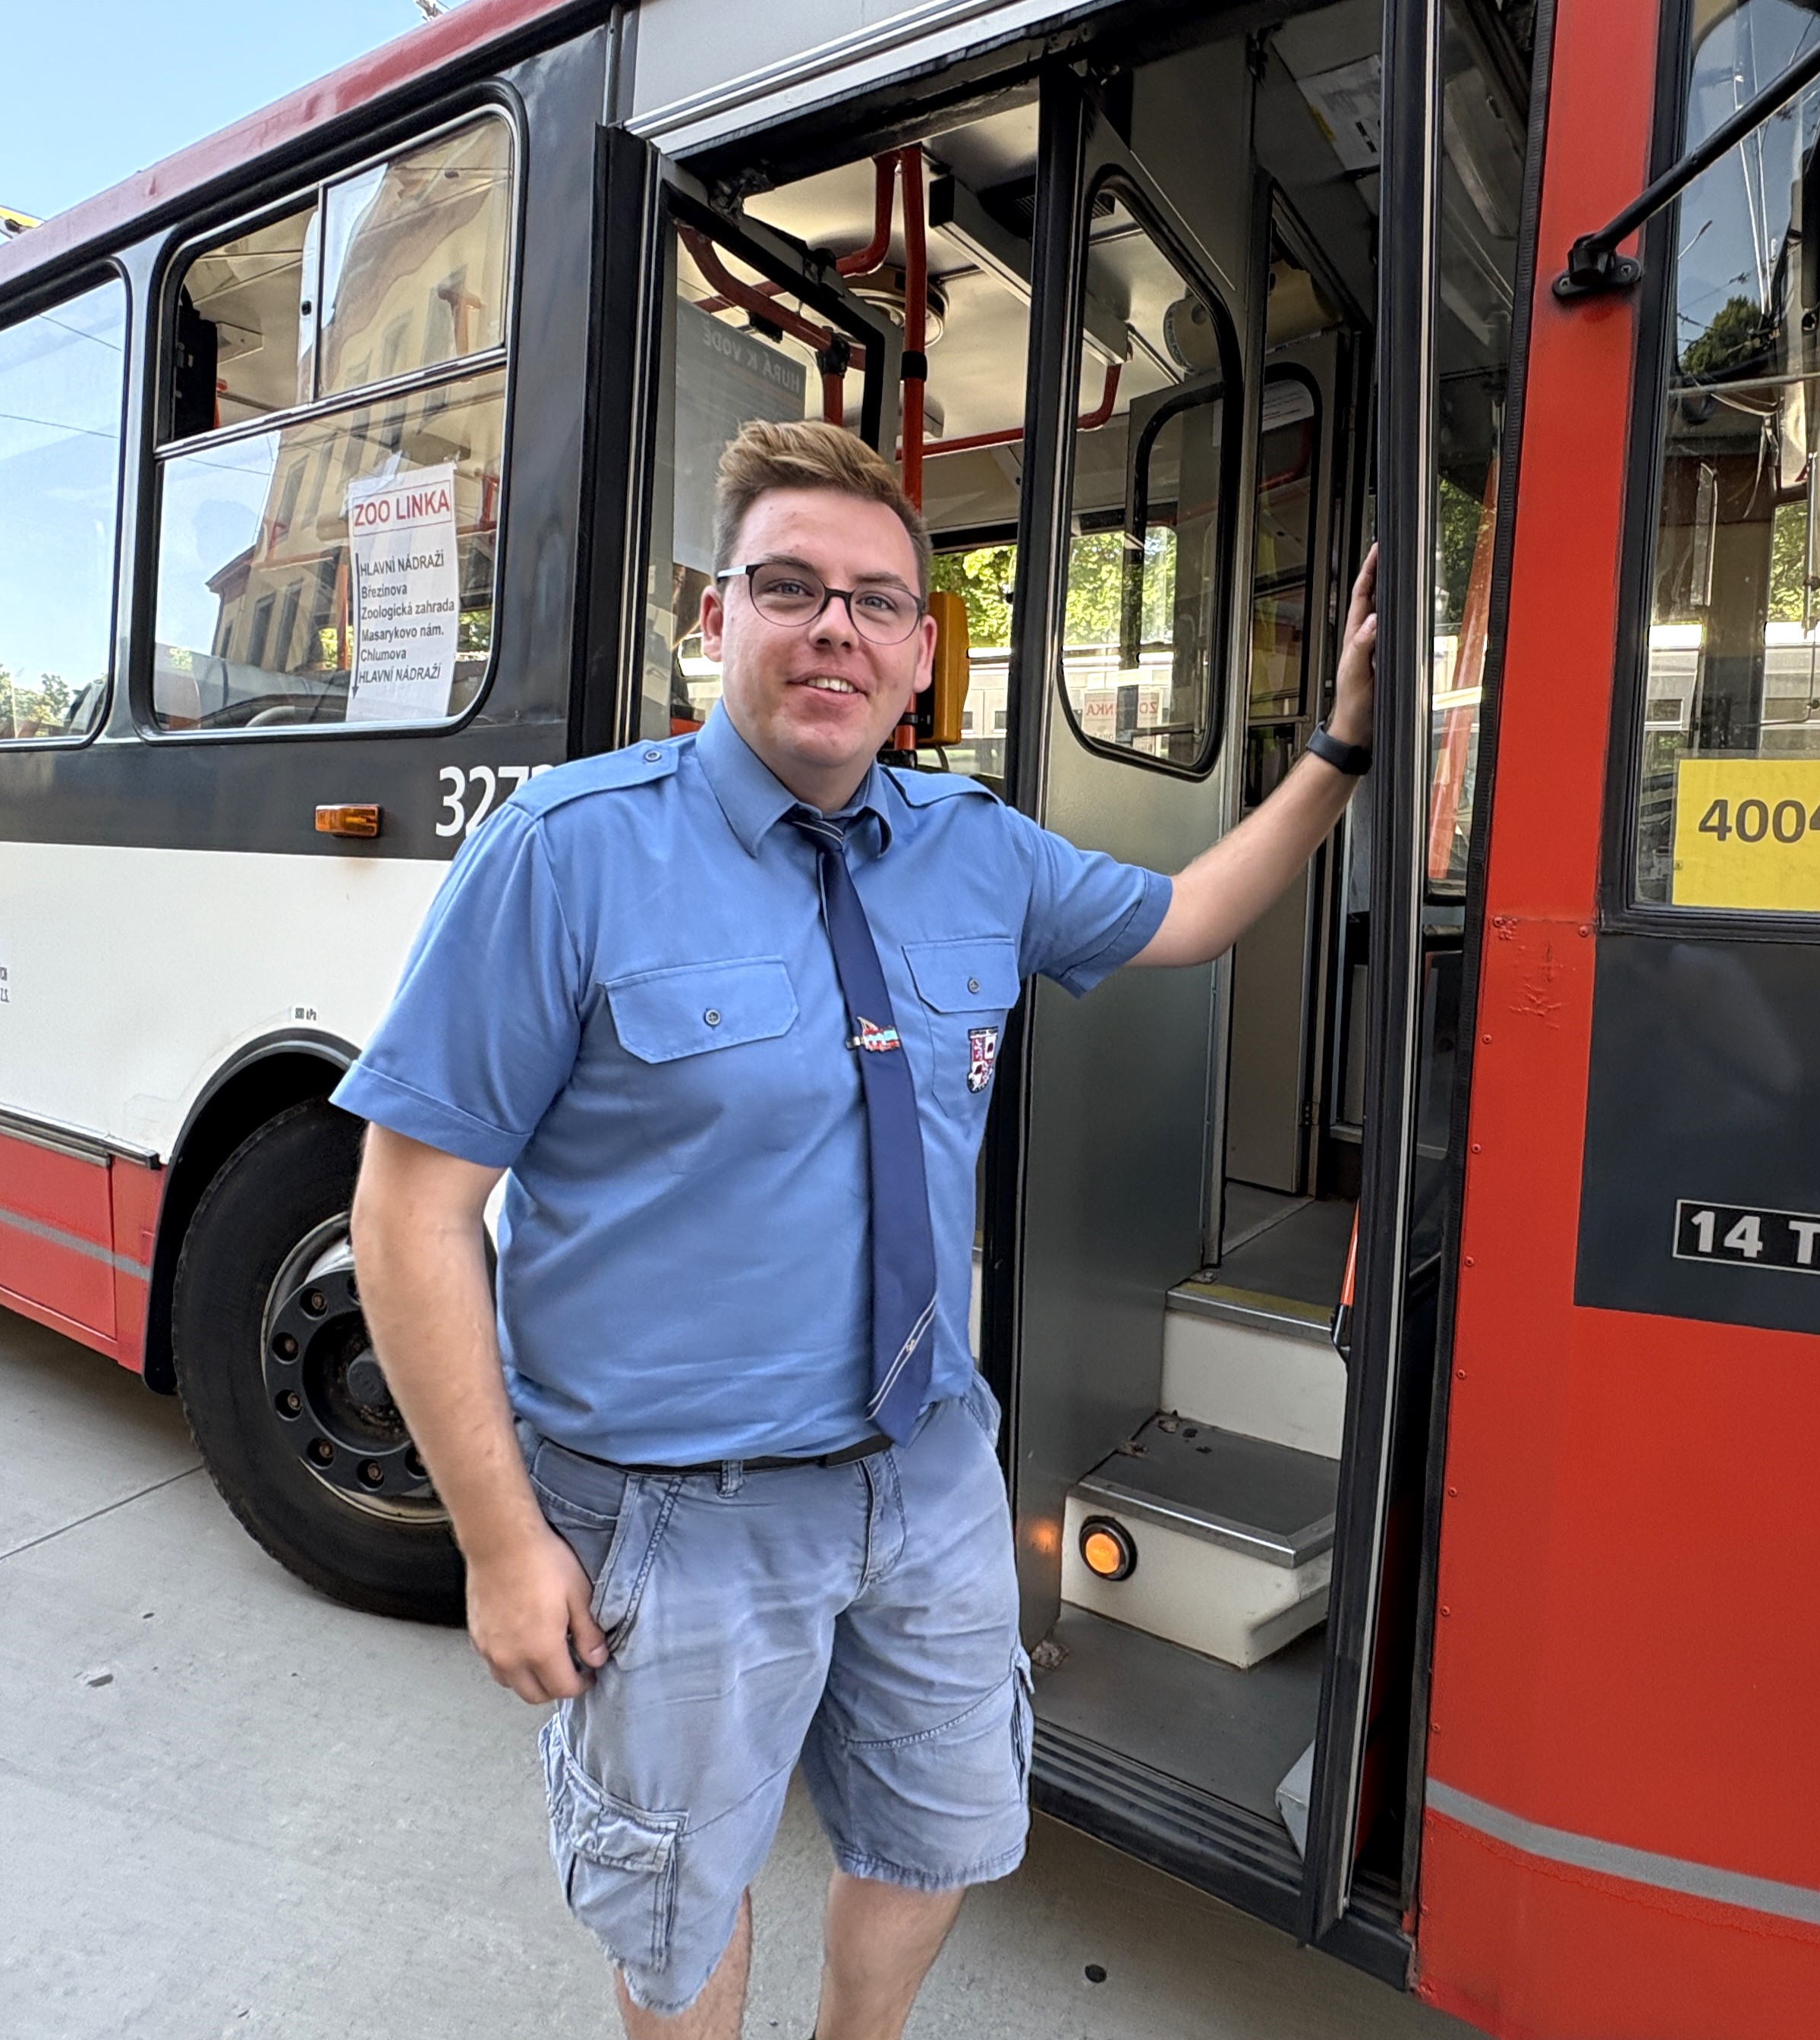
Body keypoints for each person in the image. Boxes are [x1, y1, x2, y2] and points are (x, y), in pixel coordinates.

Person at [338, 418, 1376, 2040]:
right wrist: (495, 1539)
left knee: (938, 1832)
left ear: (920, 654)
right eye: (791, 588)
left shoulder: (977, 848)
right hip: (674, 1513)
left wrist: (1344, 750)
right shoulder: (567, 855)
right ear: (716, 619)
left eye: (878, 602)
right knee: (680, 1902)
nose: (836, 629)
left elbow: (1188, 918)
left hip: (931, 1471)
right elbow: (412, 1210)